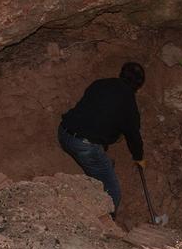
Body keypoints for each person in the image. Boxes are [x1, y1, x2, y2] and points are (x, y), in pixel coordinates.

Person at [58, 62, 146, 218]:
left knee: (99, 161)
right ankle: (107, 223)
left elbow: (95, 112)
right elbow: (133, 135)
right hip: (84, 147)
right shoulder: (129, 104)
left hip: (64, 133)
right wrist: (139, 158)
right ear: (138, 86)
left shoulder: (100, 84)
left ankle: (100, 166)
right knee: (112, 190)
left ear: (121, 74)